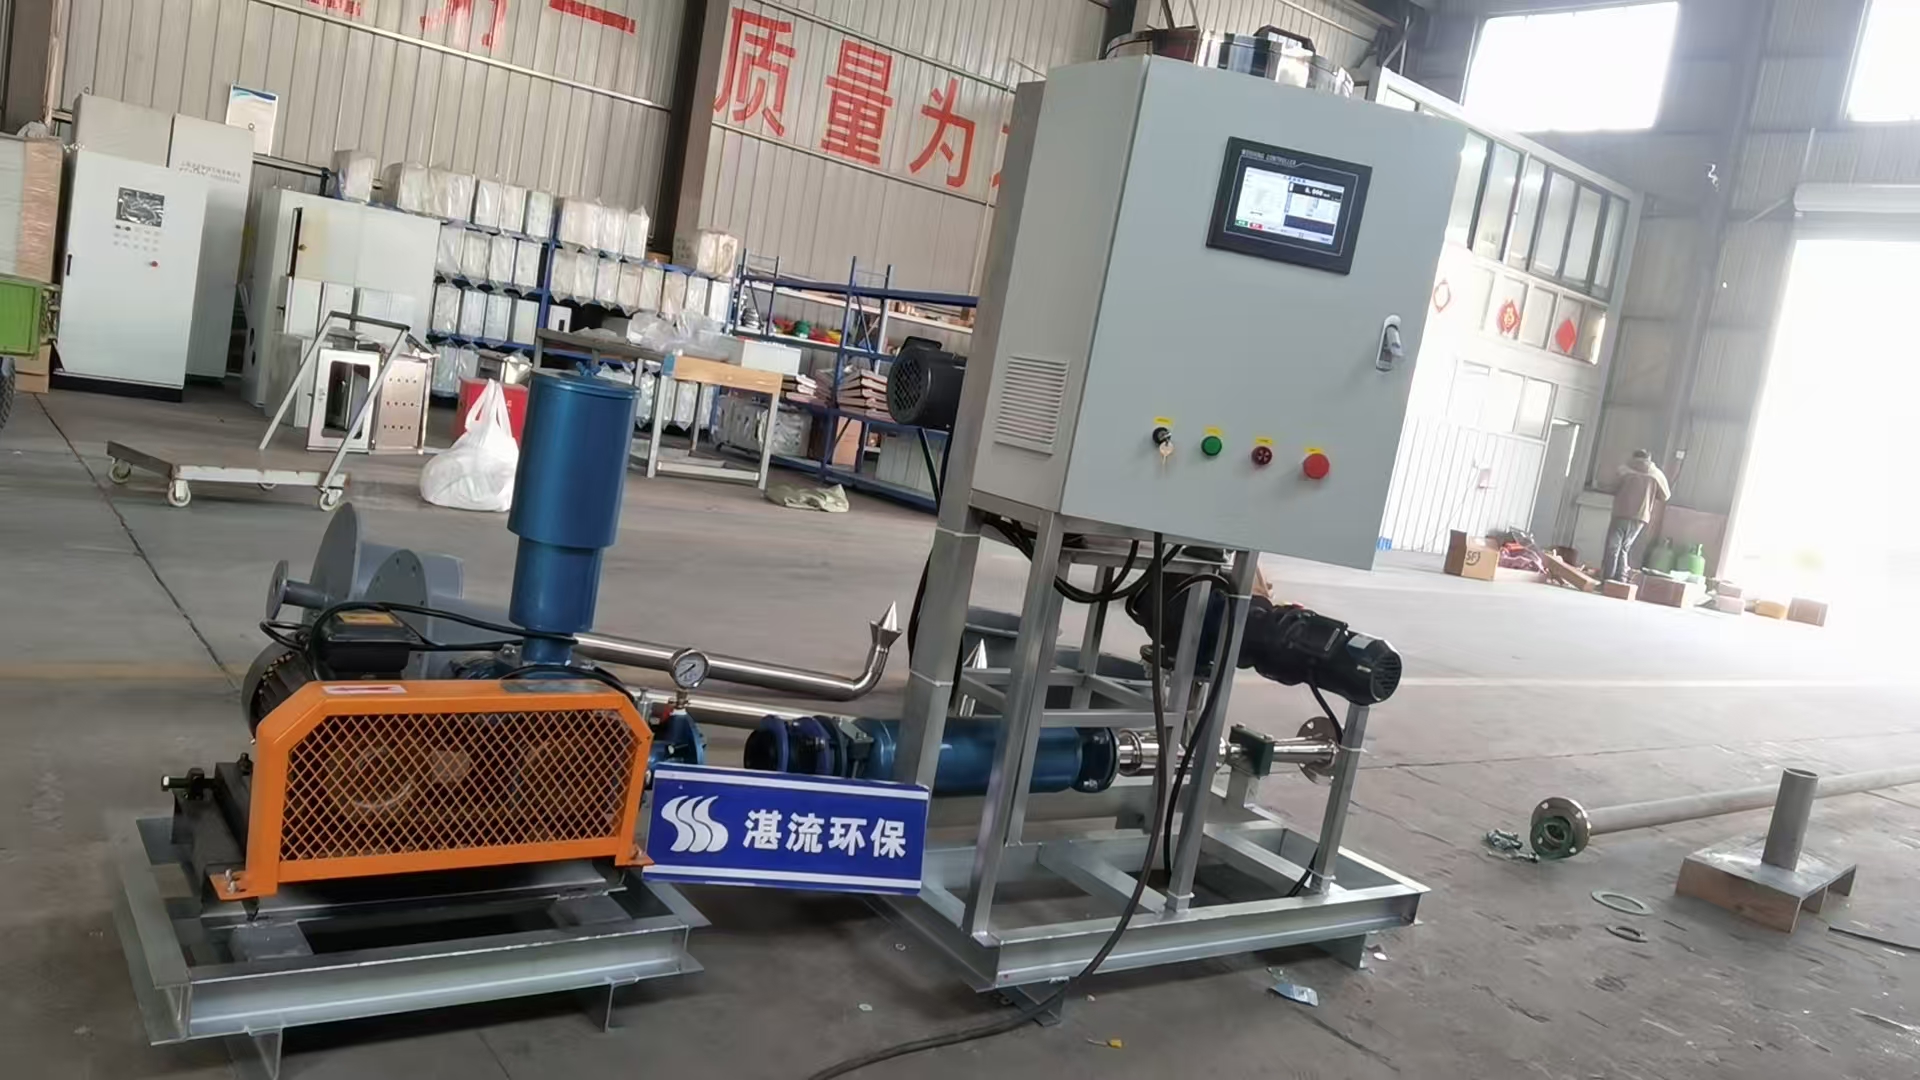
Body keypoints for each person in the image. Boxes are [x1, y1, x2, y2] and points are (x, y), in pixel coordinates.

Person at [1603, 449, 1672, 582]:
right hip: (1641, 516)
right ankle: (1621, 579)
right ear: (1649, 459)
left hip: (1621, 512)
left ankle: (1608, 579)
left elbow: (1611, 487)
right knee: (1625, 548)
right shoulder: (1656, 474)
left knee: (1613, 547)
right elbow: (1665, 496)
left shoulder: (1624, 469)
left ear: (1633, 457)